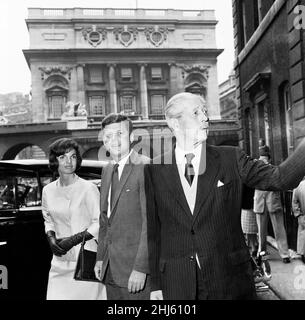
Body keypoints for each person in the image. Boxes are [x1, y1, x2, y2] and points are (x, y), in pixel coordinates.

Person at [144, 92, 305, 300]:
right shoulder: (155, 169)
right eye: (196, 113)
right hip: (178, 283)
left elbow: (280, 178)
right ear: (174, 123)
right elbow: (153, 232)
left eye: (204, 112)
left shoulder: (231, 158)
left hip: (229, 281)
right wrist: (155, 284)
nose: (205, 118)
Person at [94, 114, 150, 300]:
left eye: (119, 133)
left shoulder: (145, 166)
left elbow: (150, 223)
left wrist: (141, 268)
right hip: (110, 269)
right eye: (107, 136)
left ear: (132, 137)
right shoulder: (107, 169)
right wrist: (101, 258)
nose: (113, 140)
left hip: (135, 272)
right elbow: (105, 220)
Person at [42, 138, 106, 300]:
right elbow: (47, 219)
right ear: (54, 161)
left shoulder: (88, 188)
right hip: (60, 261)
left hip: (84, 260)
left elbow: (99, 221)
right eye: (62, 157)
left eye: (73, 156)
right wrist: (51, 238)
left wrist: (74, 240)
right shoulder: (48, 190)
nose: (68, 161)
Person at [253, 147, 291, 264]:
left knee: (279, 229)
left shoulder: (275, 170)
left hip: (273, 202)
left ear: (269, 159)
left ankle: (285, 254)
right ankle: (262, 253)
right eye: (260, 159)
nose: (262, 161)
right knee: (261, 231)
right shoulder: (255, 170)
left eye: (264, 159)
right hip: (260, 203)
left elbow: (280, 183)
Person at [292, 177, 305, 264]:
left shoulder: (298, 186)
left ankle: (302, 254)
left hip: (302, 215)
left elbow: (294, 201)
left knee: (302, 234)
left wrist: (298, 214)